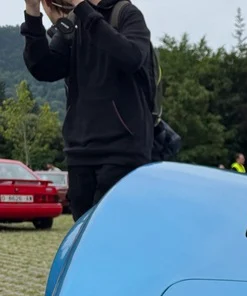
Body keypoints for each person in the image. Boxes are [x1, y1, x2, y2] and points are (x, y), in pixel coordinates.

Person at [21, 0, 155, 220]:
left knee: (112, 228)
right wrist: (33, 12)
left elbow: (132, 57)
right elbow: (43, 68)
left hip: (122, 150)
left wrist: (82, 8)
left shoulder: (126, 13)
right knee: (82, 231)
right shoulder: (76, 21)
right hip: (79, 151)